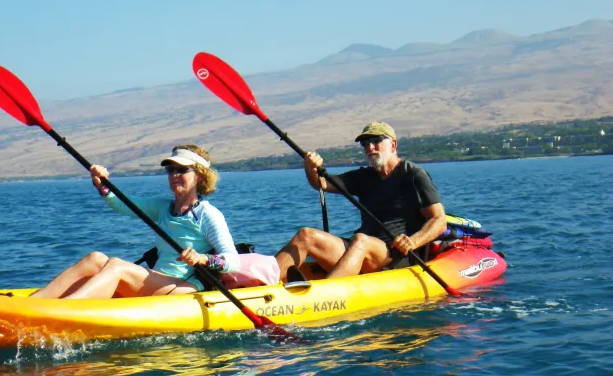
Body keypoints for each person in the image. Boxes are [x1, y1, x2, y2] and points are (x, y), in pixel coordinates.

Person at [30, 144, 241, 299]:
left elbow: (233, 261)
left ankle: (65, 309)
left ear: (200, 177)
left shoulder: (208, 214)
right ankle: (35, 302)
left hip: (185, 287)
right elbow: (123, 203)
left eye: (182, 170)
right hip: (157, 279)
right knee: (94, 259)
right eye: (170, 170)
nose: (174, 175)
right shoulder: (163, 207)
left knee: (118, 266)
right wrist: (101, 183)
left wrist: (203, 259)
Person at [275, 121, 446, 281]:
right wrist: (310, 168)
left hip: (395, 255)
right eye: (365, 144)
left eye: (376, 141)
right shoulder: (364, 176)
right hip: (360, 249)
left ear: (393, 145)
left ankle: (325, 295)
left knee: (360, 240)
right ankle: (260, 283)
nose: (370, 148)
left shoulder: (414, 175)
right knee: (306, 235)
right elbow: (322, 184)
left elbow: (439, 220)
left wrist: (413, 241)